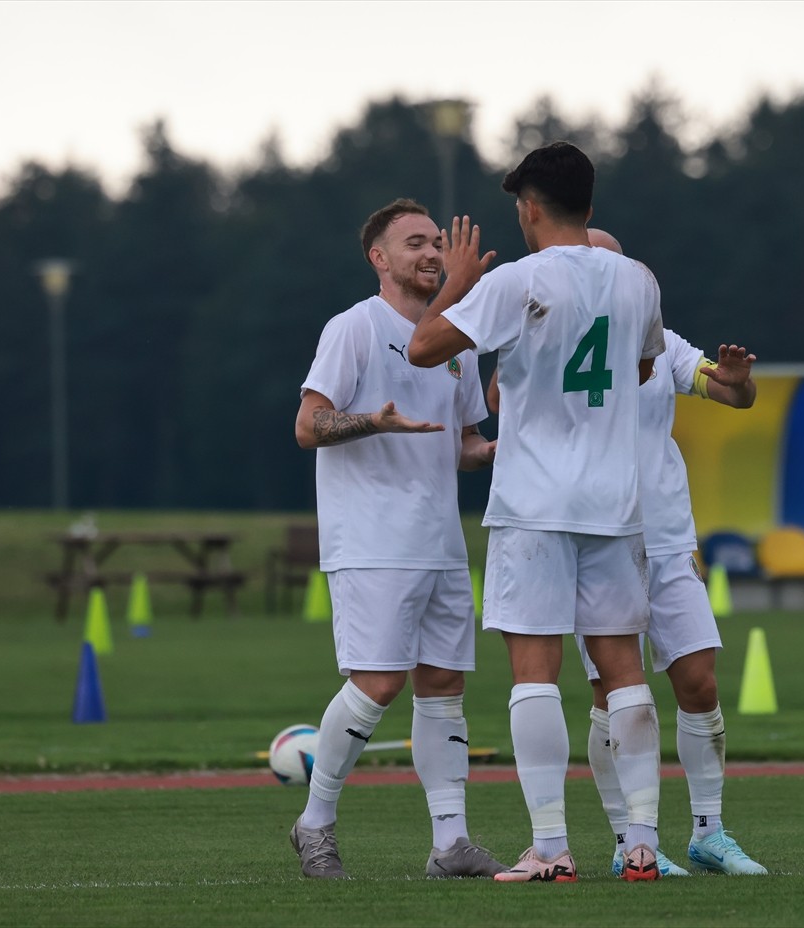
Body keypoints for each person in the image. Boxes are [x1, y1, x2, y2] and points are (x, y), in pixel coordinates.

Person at [409, 142, 667, 883]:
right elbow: (641, 366)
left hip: (533, 502)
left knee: (534, 673)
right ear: (589, 204)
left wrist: (455, 285)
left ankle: (551, 846)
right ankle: (641, 843)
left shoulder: (520, 279)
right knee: (622, 670)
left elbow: (424, 348)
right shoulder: (637, 280)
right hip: (614, 500)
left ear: (528, 207)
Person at [489, 228, 768, 878]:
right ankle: (628, 843)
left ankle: (709, 832)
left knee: (698, 681)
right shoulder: (544, 339)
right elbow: (498, 403)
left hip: (668, 539)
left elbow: (729, 391)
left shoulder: (661, 343)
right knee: (609, 693)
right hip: (596, 537)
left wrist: (737, 382)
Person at [289, 198, 503, 881]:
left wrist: (501, 448)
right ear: (379, 259)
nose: (432, 252)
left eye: (436, 241)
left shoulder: (454, 343)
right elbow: (308, 425)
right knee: (378, 682)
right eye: (414, 242)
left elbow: (463, 444)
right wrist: (373, 422)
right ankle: (314, 823)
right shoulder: (354, 328)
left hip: (438, 540)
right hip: (371, 540)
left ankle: (450, 843)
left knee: (442, 685)